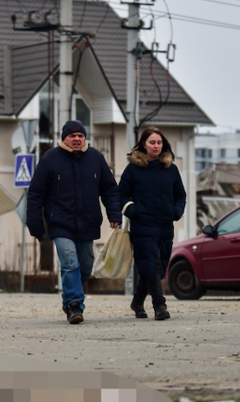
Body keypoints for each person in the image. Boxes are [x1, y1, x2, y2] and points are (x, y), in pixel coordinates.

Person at [27, 120, 122, 324]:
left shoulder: (96, 158)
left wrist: (114, 214)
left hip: (88, 223)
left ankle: (70, 296)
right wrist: (35, 225)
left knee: (86, 264)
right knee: (70, 262)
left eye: (80, 135)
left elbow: (109, 189)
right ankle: (74, 304)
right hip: (60, 223)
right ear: (64, 138)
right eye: (72, 136)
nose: (77, 139)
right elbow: (35, 194)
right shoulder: (50, 159)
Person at [117, 127, 186, 321]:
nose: (156, 146)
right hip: (142, 225)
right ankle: (160, 304)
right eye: (152, 143)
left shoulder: (171, 169)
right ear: (144, 145)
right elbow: (120, 194)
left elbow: (180, 195)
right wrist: (133, 211)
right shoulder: (134, 169)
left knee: (159, 265)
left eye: (159, 143)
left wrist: (176, 211)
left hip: (165, 224)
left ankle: (138, 301)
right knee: (152, 263)